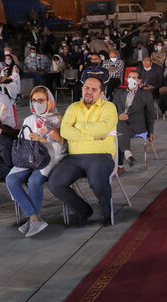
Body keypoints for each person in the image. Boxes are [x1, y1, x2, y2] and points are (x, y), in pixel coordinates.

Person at [48, 76, 118, 227]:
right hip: (75, 158)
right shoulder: (73, 107)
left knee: (97, 181)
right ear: (82, 89)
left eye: (94, 89)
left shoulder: (109, 107)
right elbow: (65, 131)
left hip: (101, 156)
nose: (89, 92)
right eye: (86, 88)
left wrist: (78, 125)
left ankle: (106, 211)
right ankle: (83, 210)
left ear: (101, 93)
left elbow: (104, 128)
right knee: (55, 183)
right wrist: (93, 137)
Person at [6, 86, 65, 237]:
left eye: (41, 100)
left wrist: (43, 139)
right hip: (30, 158)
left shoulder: (57, 119)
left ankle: (34, 218)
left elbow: (63, 143)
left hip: (50, 157)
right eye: (34, 100)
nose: (37, 103)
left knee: (34, 181)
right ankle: (34, 218)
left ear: (49, 101)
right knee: (12, 179)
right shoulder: (29, 119)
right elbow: (23, 143)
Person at [114, 70, 154, 174]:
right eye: (130, 77)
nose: (132, 79)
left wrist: (151, 131)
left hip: (137, 125)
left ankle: (120, 165)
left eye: (135, 77)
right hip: (121, 124)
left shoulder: (145, 94)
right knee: (119, 128)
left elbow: (150, 114)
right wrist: (119, 115)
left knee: (118, 132)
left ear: (139, 81)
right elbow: (112, 110)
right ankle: (127, 155)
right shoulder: (118, 93)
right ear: (126, 79)